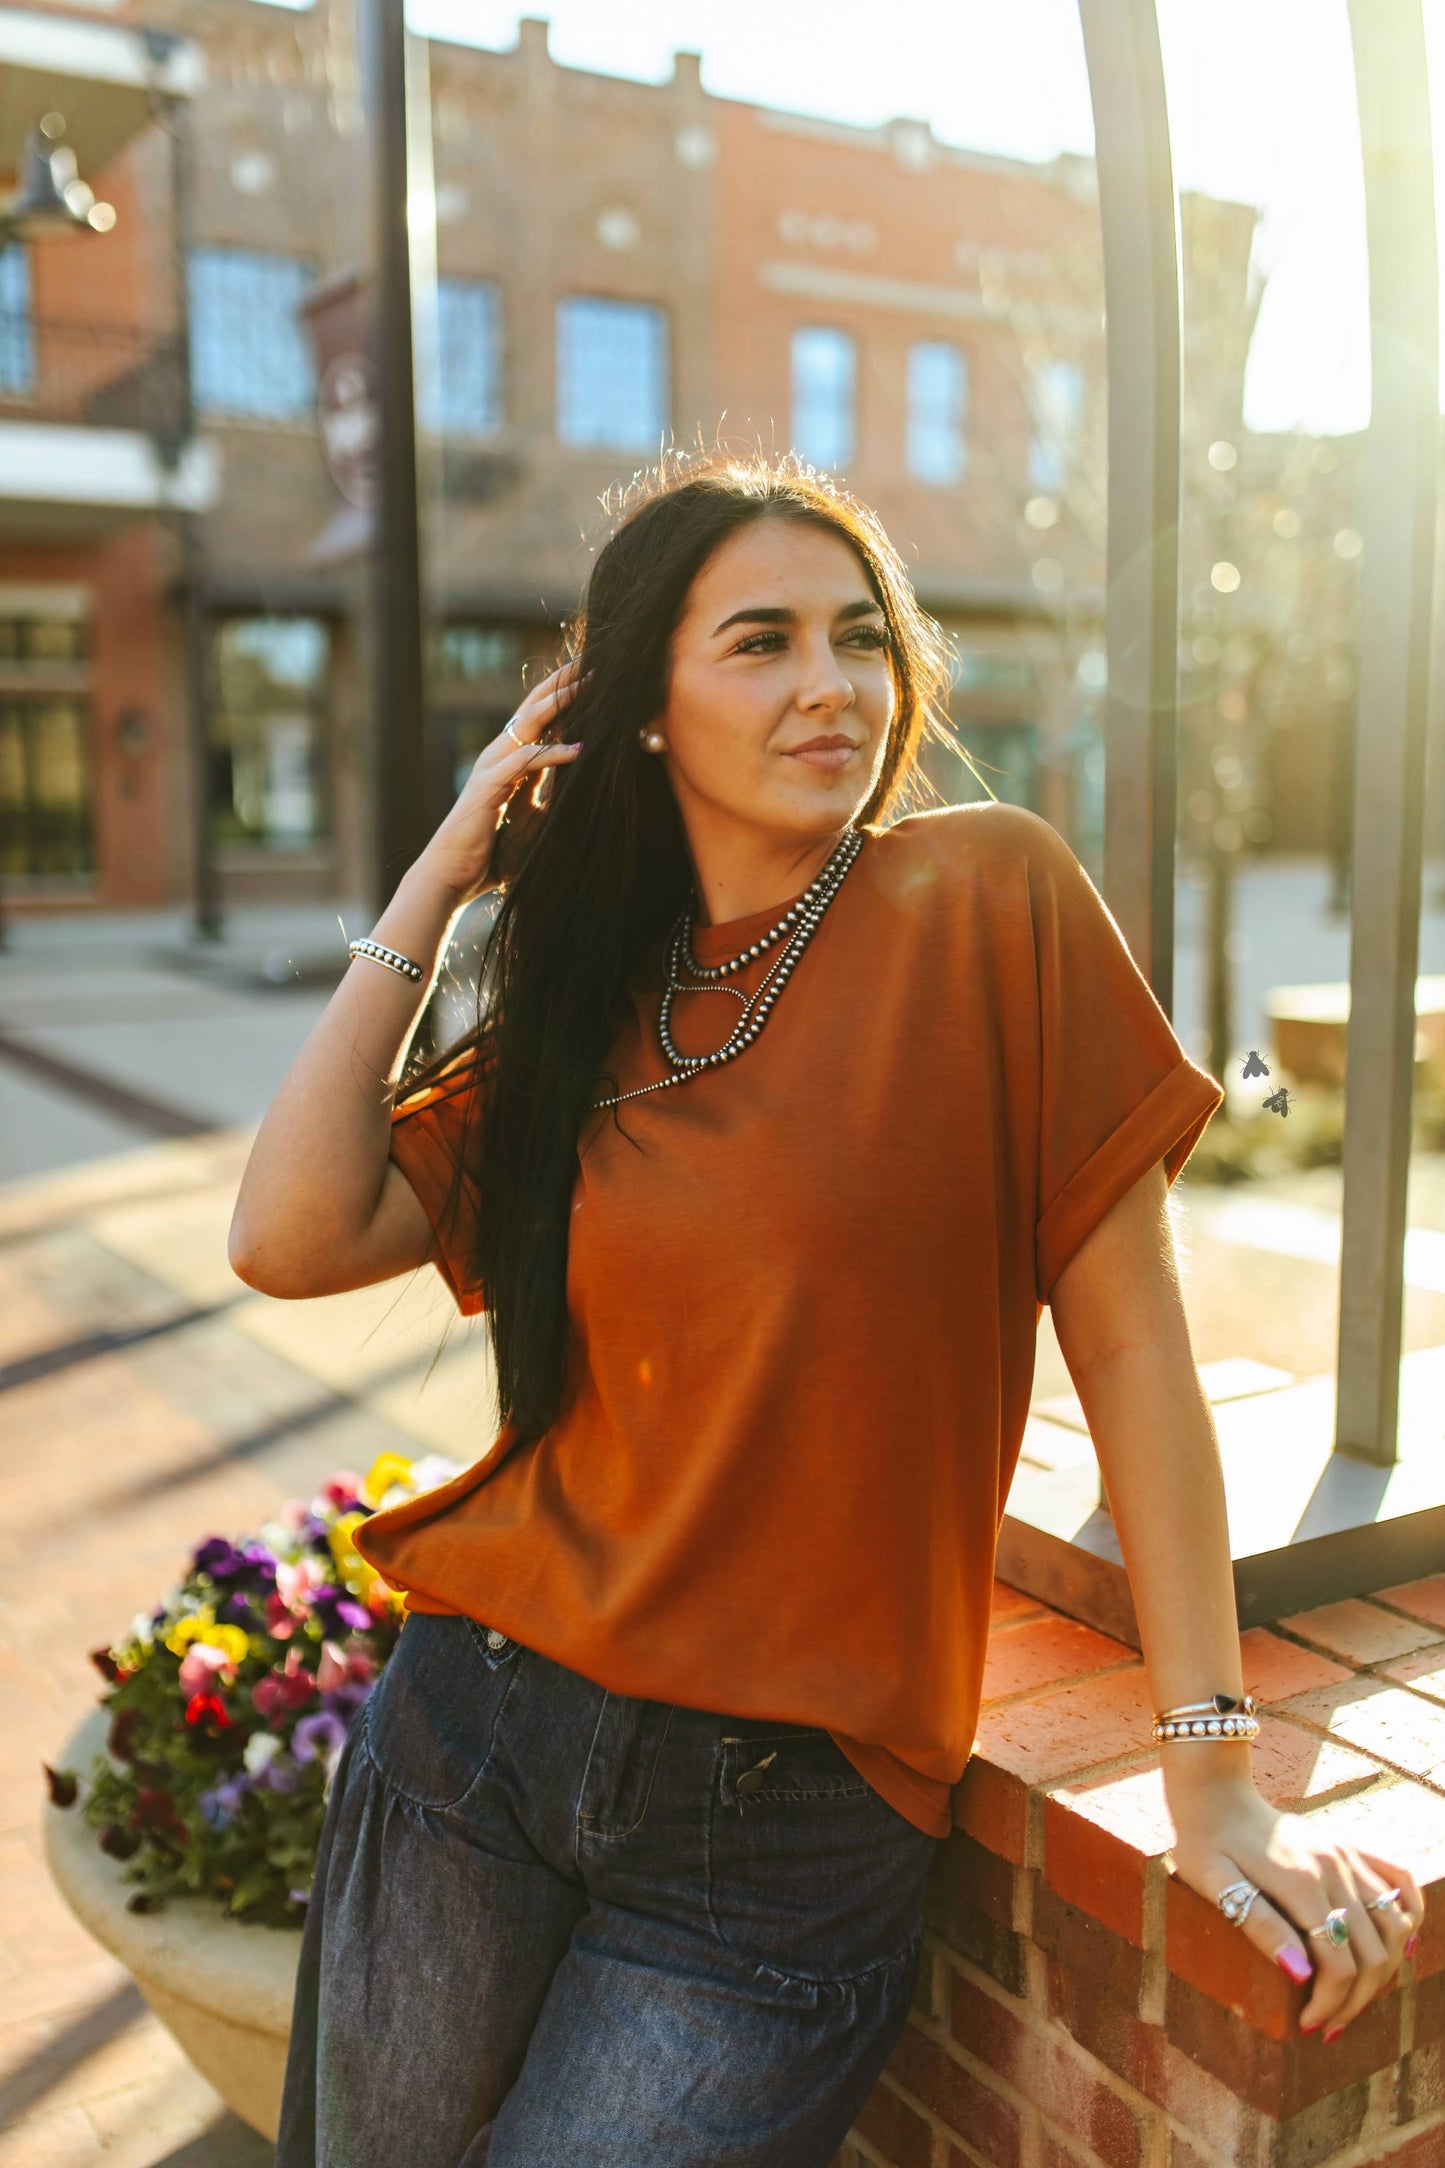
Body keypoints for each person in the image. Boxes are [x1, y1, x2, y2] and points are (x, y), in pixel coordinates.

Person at [231, 453, 1423, 2168]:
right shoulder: (587, 1011)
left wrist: (1213, 1765)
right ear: (637, 708)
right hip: (475, 1728)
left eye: (860, 638)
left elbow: (1136, 1353)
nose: (830, 685)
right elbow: (288, 1233)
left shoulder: (987, 902)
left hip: (778, 1833)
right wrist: (443, 868)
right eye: (763, 642)